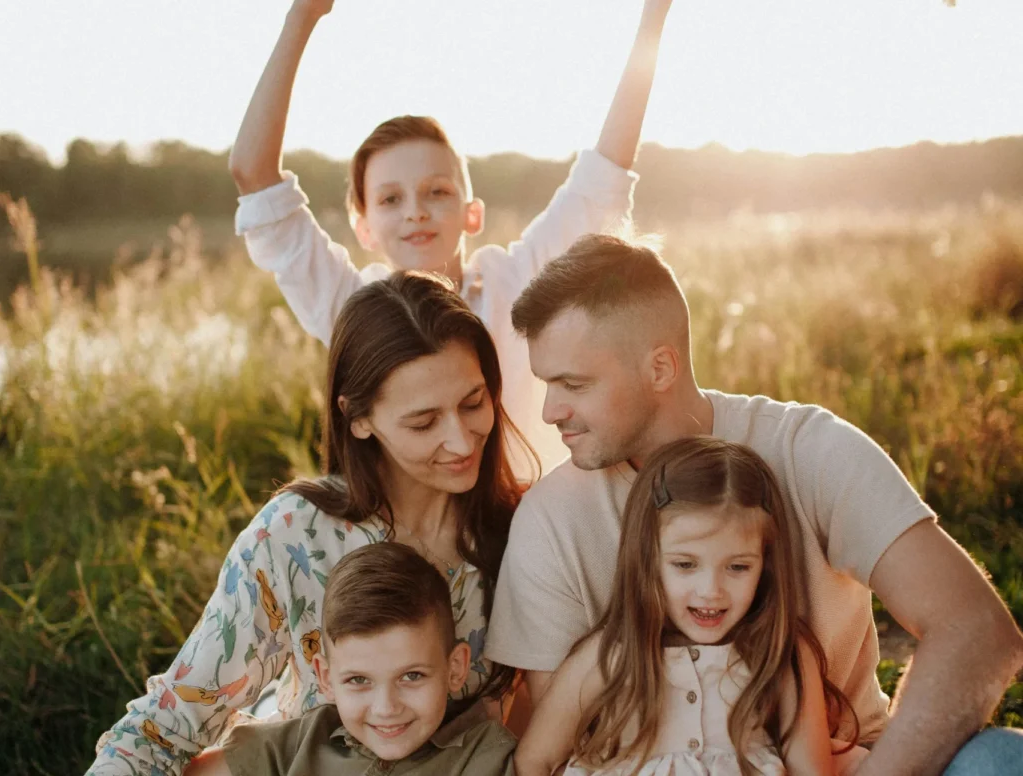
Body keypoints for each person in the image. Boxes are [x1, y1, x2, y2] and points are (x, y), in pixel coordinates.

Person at [484, 235, 1023, 775]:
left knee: (1002, 759)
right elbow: (554, 743)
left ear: (661, 368)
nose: (550, 411)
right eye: (546, 385)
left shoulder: (810, 449)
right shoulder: (551, 519)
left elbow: (976, 629)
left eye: (573, 384)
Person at [87, 272, 530, 776]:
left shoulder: (526, 533)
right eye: (424, 422)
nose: (461, 440)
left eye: (473, 403)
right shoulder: (292, 536)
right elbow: (164, 730)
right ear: (358, 418)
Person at [227, 0, 676, 472]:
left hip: (535, 525)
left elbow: (606, 168)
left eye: (436, 192)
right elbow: (253, 174)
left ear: (471, 214)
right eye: (390, 200)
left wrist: (654, 15)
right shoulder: (353, 305)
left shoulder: (520, 280)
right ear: (364, 228)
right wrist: (302, 15)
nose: (416, 213)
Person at [514, 437, 867, 776]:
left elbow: (811, 770)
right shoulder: (610, 657)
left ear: (766, 564)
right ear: (647, 560)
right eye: (685, 565)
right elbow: (535, 761)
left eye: (738, 567)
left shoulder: (778, 654)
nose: (711, 591)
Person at [185, 543, 516, 776]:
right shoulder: (296, 744)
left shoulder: (487, 757)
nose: (386, 708)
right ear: (327, 679)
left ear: (455, 668)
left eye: (412, 676)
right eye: (359, 680)